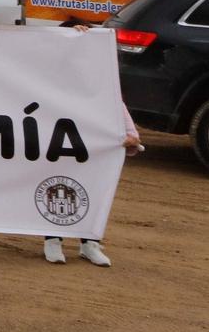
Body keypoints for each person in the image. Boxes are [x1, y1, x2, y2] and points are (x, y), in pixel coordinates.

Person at [45, 111, 144, 266]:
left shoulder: (105, 90)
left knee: (94, 192)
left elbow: (116, 106)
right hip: (58, 142)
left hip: (96, 151)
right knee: (56, 188)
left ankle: (90, 243)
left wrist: (131, 134)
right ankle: (52, 240)